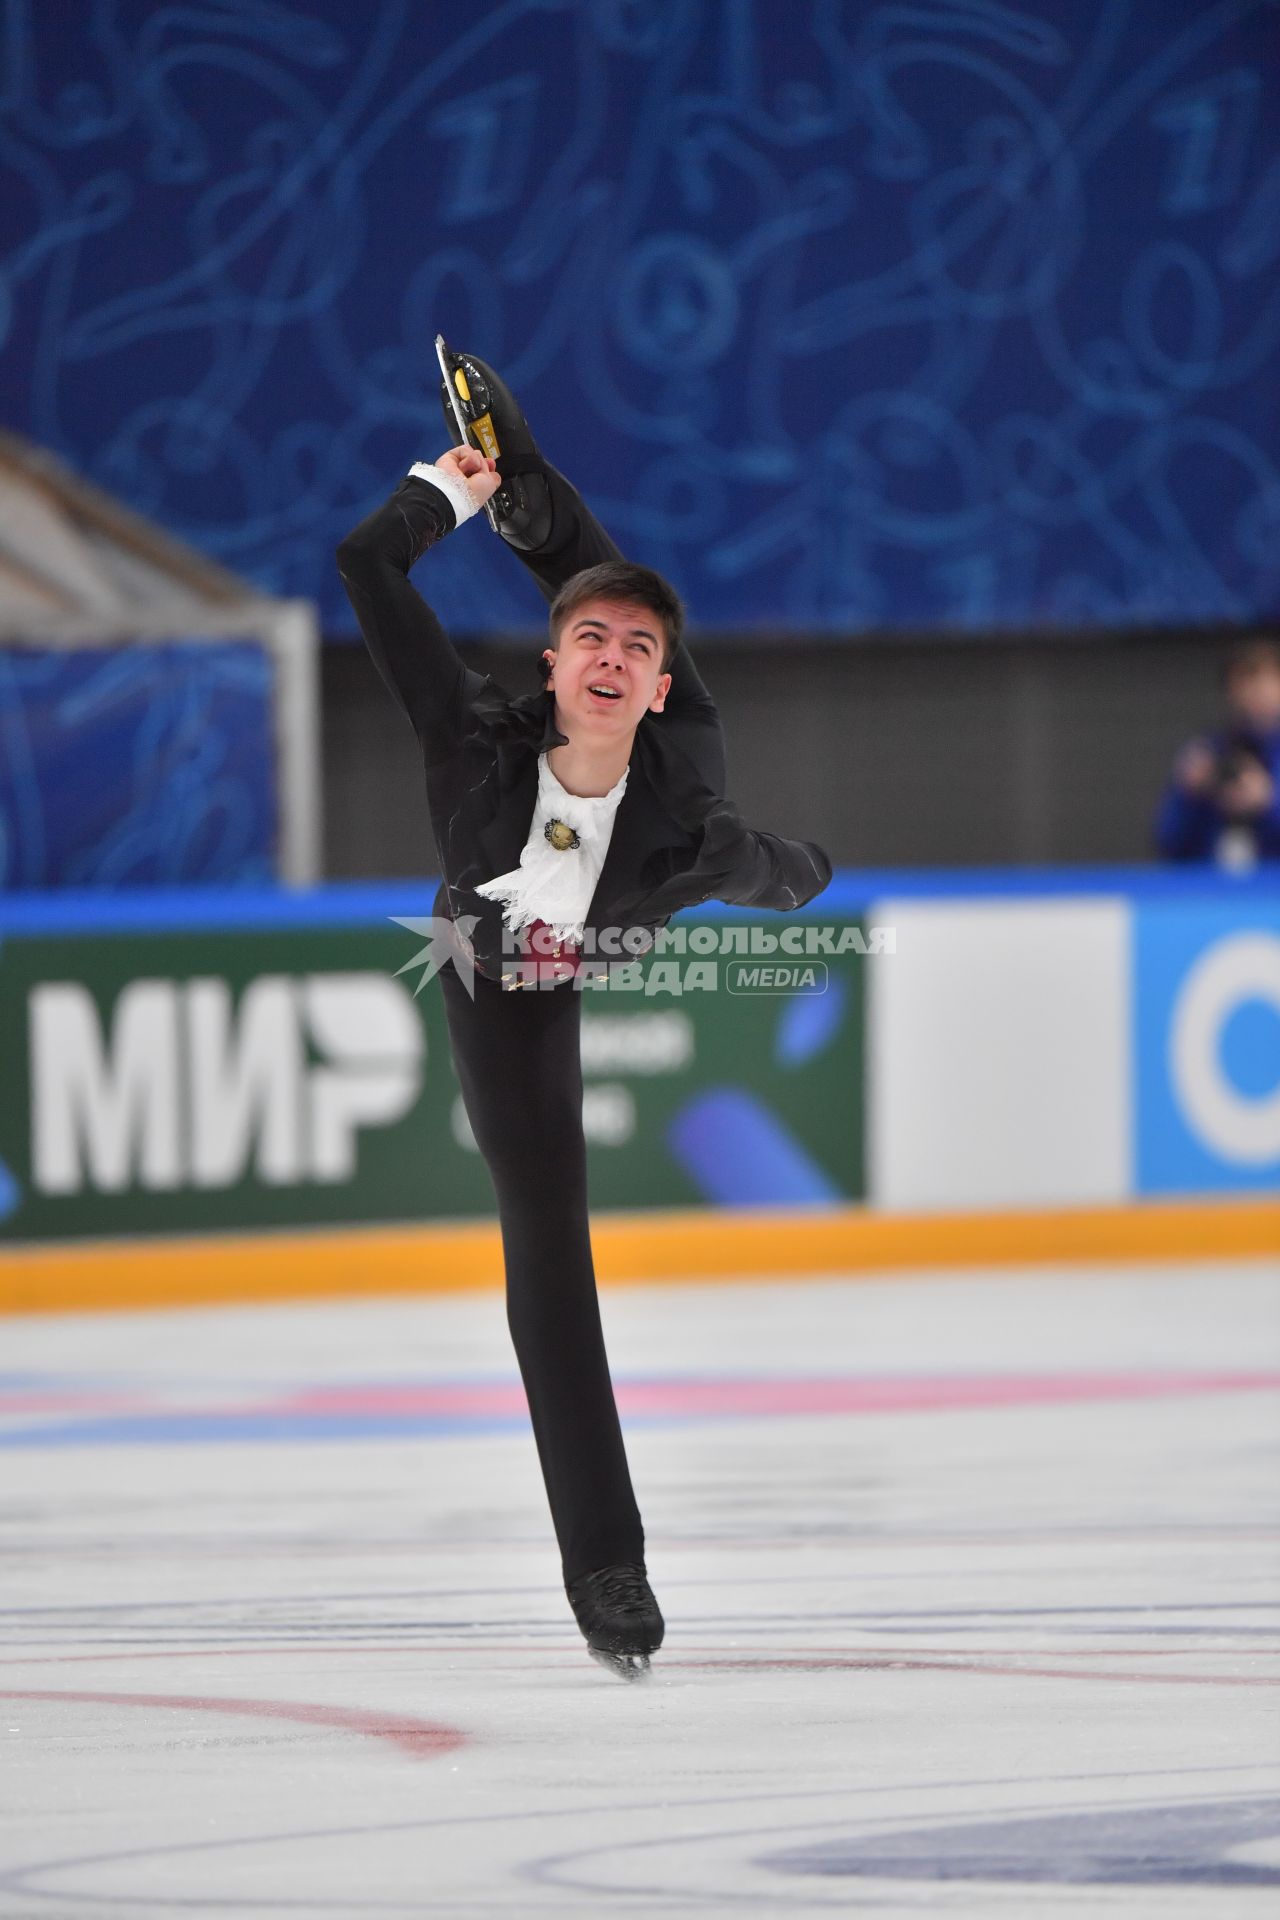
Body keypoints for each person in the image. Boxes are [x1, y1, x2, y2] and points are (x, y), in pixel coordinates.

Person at [336, 344, 831, 1679]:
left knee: (746, 850)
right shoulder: (473, 745)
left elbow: (793, 874)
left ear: (660, 687)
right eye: (589, 647)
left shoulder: (686, 774)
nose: (612, 659)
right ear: (550, 671)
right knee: (548, 1236)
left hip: (634, 905)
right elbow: (366, 570)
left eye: (638, 653)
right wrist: (449, 489)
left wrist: (771, 875)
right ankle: (606, 1569)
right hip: (493, 975)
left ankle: (534, 480)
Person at [1154, 636, 1280, 868]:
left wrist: (1267, 802)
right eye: (1243, 684)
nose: (1254, 695)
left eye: (1264, 684)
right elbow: (1168, 844)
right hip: (1212, 891)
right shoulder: (1209, 751)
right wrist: (1189, 795)